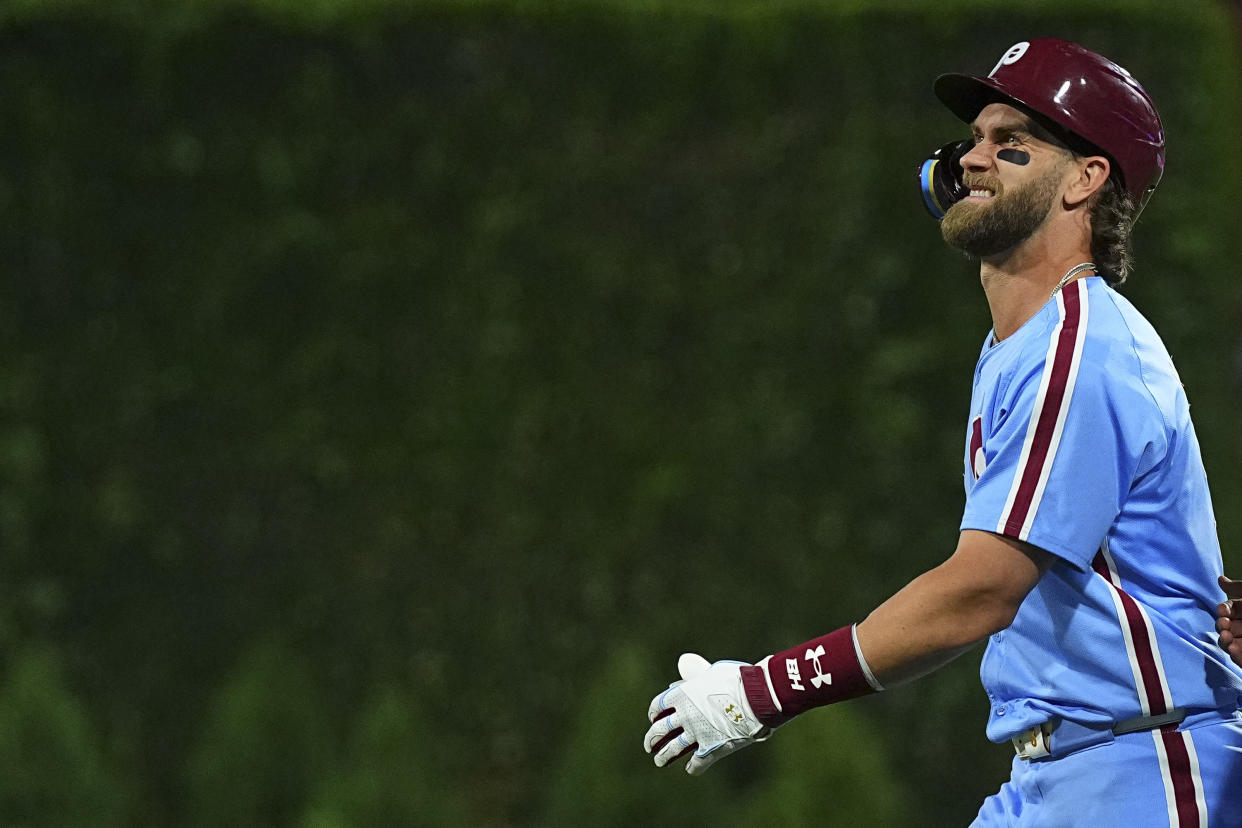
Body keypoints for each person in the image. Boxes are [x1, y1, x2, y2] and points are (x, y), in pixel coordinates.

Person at [643, 39, 1242, 825]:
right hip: (1061, 770)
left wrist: (767, 691)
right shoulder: (1022, 345)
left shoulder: (1080, 348)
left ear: (1087, 180)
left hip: (1145, 770)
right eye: (972, 142)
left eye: (1011, 145)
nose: (972, 160)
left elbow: (983, 590)